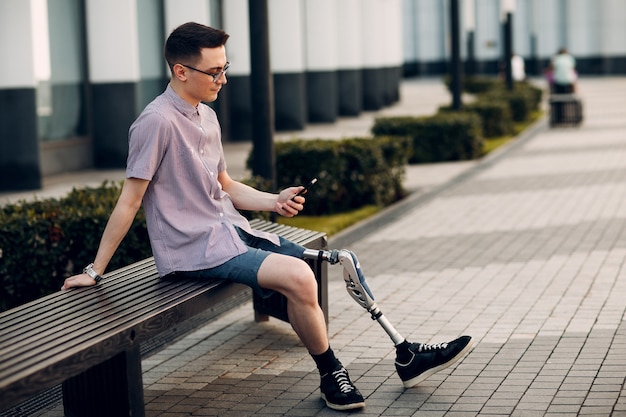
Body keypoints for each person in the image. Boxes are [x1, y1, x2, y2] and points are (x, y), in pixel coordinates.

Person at [61, 22, 472, 411]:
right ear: (181, 71)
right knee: (299, 277)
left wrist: (275, 201)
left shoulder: (207, 115)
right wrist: (95, 271)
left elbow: (224, 184)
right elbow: (129, 201)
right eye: (215, 71)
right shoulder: (154, 122)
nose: (223, 80)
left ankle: (406, 352)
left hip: (228, 232)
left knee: (342, 258)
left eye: (226, 68)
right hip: (192, 249)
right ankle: (332, 374)